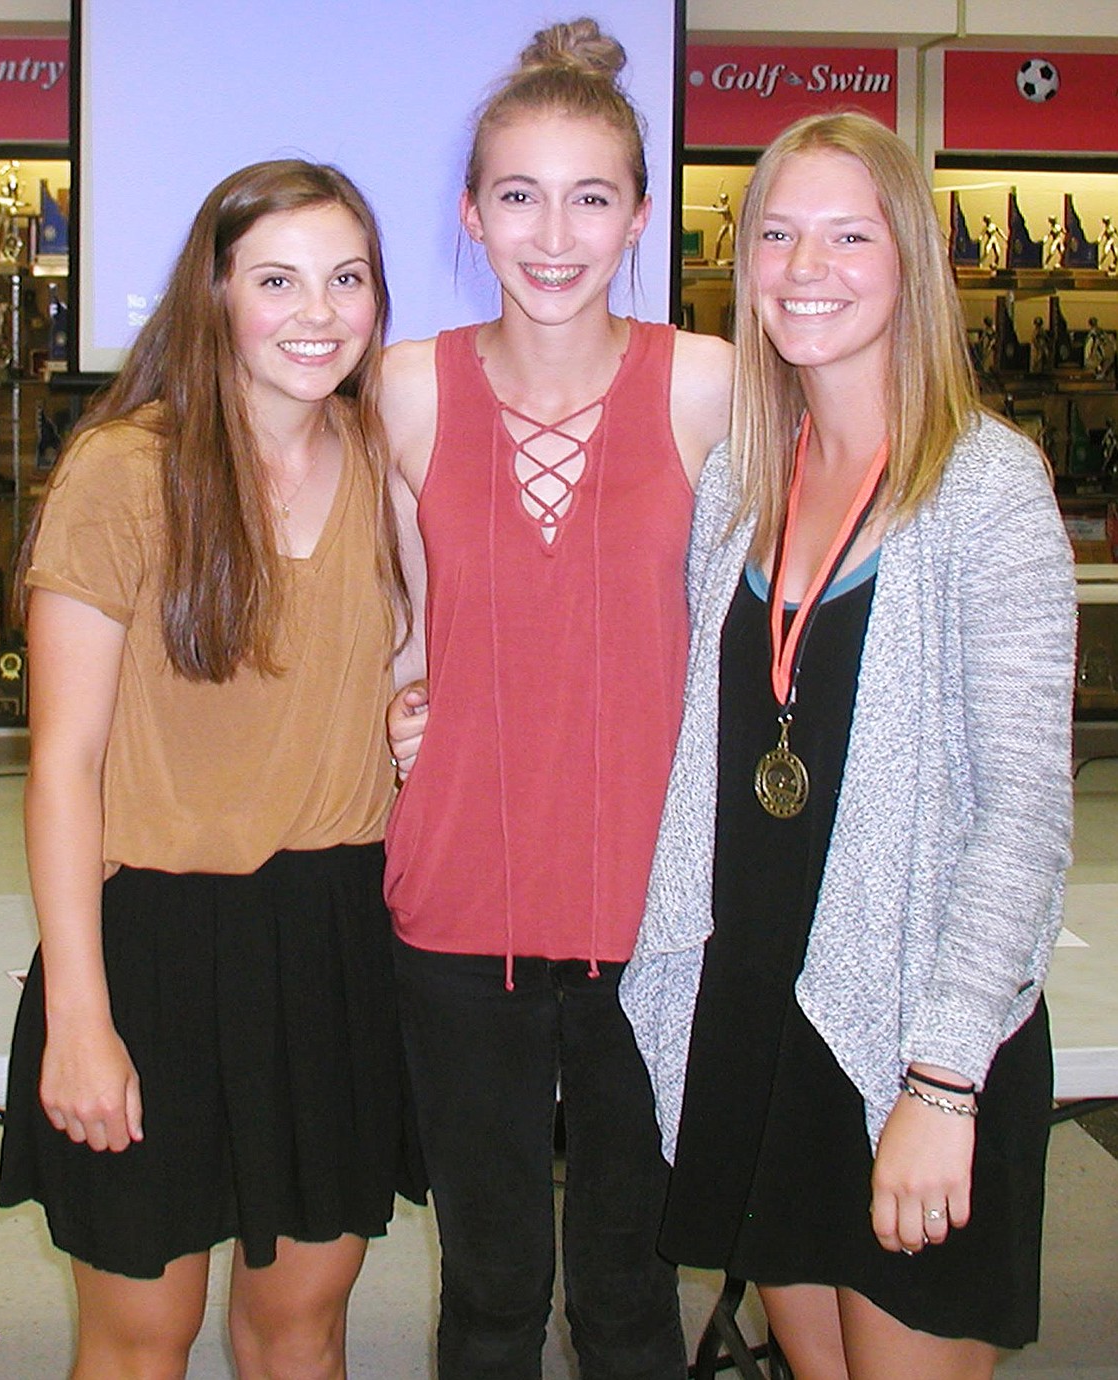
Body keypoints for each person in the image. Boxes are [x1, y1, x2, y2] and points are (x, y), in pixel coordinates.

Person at [621, 112, 1076, 1380]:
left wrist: (941, 1086)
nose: (802, 265)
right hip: (769, 1014)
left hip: (913, 1027)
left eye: (845, 234)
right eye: (775, 232)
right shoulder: (744, 479)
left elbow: (1025, 817)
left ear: (912, 259)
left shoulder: (988, 488)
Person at [0, 159, 420, 1380]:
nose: (317, 311)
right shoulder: (128, 470)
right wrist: (80, 1016)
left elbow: (391, 676)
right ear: (216, 293)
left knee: (301, 1330)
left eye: (347, 280)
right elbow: (63, 763)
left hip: (332, 939)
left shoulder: (386, 464)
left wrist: (412, 714)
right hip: (152, 949)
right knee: (141, 1338)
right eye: (277, 279)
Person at [382, 18, 732, 1379]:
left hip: (655, 919)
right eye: (517, 196)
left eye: (590, 197)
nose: (552, 234)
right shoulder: (405, 391)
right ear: (470, 214)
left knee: (631, 1302)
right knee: (488, 1297)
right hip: (462, 910)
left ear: (638, 216)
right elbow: (399, 634)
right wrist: (387, 715)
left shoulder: (704, 385)